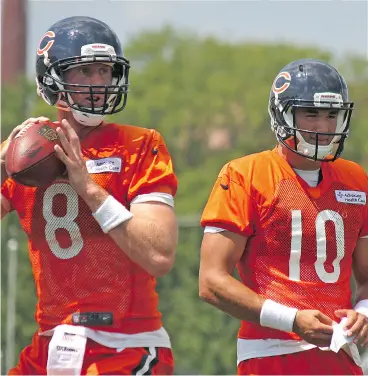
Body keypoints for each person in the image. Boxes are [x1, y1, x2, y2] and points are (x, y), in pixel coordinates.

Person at [1, 16, 178, 375]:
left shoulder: (139, 145)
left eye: (104, 71)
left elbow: (159, 254)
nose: (99, 83)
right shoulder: (27, 153)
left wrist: (90, 190)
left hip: (125, 344)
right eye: (84, 72)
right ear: (53, 79)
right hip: (51, 343)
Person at [199, 58, 368, 375]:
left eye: (332, 115)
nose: (323, 126)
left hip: (339, 353)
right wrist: (291, 319)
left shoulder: (356, 179)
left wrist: (364, 311)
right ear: (282, 113)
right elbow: (211, 281)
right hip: (270, 353)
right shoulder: (245, 175)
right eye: (311, 114)